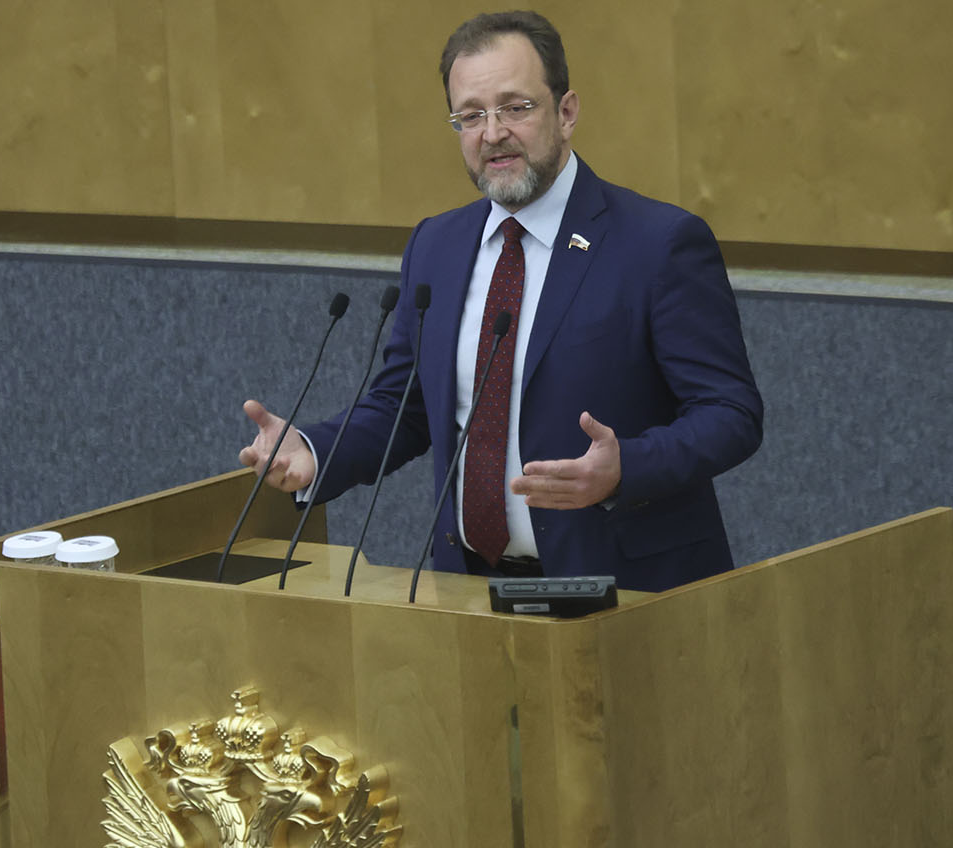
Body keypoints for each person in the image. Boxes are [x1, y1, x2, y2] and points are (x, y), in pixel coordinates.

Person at [238, 10, 762, 592]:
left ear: (566, 113)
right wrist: (315, 450)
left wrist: (625, 468)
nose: (492, 134)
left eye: (516, 108)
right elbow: (405, 407)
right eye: (471, 115)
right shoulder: (435, 245)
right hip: (470, 592)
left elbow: (730, 413)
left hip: (629, 591)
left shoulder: (657, 244)